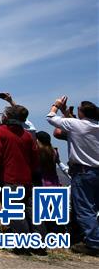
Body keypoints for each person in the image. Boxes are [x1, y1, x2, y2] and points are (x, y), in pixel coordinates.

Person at [47, 95, 99, 256]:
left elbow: (50, 118)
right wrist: (66, 112)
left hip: (83, 172)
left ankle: (94, 244)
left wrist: (56, 106)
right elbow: (74, 124)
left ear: (82, 113)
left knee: (85, 209)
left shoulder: (76, 125)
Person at [0, 104, 43, 254]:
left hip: (9, 177)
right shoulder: (27, 135)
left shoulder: (0, 132)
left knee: (15, 211)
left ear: (6, 117)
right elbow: (35, 157)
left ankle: (22, 245)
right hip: (27, 179)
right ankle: (38, 244)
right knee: (31, 211)